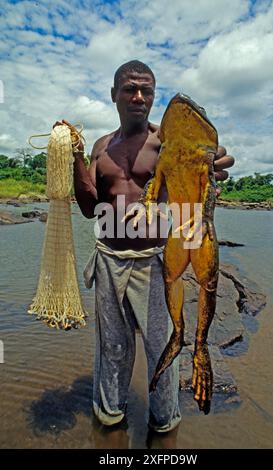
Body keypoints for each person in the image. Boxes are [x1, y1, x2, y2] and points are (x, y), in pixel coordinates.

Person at [70, 60, 234, 433]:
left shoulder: (170, 143)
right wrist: (76, 161)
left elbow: (210, 159)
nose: (139, 97)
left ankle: (164, 423)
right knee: (111, 349)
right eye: (130, 88)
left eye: (147, 90)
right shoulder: (100, 147)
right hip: (109, 260)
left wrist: (214, 161)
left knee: (163, 346)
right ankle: (110, 419)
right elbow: (88, 208)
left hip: (157, 262)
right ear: (114, 95)